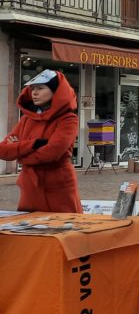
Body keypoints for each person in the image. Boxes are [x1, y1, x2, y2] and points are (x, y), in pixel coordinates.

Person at [0, 70, 80, 213]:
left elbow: (52, 153)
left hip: (58, 187)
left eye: (41, 88)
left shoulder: (68, 119)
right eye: (32, 89)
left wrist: (19, 151)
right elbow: (3, 150)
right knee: (29, 231)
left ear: (55, 91)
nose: (34, 93)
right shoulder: (26, 119)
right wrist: (34, 144)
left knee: (64, 229)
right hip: (30, 188)